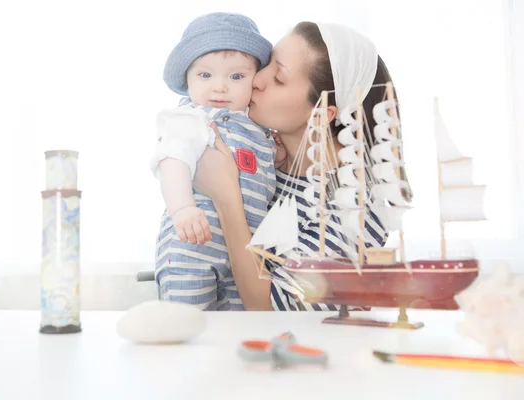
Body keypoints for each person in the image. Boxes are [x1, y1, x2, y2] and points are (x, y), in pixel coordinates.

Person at [192, 21, 413, 311]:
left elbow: (274, 309)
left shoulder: (356, 203)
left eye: (279, 78)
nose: (256, 79)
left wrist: (226, 201)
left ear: (321, 114)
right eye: (268, 64)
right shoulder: (262, 158)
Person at [150, 12, 276, 310]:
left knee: (234, 329)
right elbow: (173, 160)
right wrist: (182, 208)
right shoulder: (192, 118)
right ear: (187, 79)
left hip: (243, 252)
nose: (219, 87)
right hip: (193, 242)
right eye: (205, 75)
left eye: (236, 76)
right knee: (188, 322)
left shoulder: (259, 129)